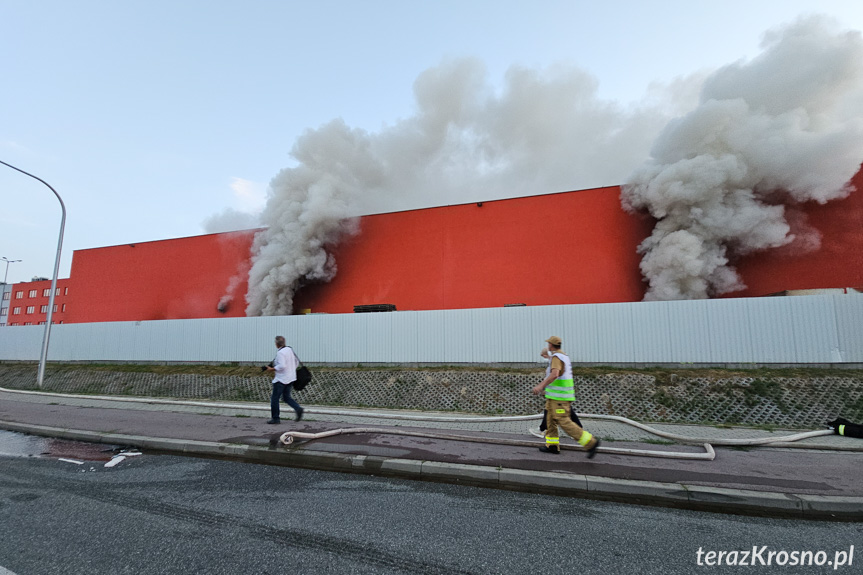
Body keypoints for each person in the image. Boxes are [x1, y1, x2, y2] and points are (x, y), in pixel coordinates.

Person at [532, 336, 599, 457]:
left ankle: (591, 443)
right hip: (553, 397)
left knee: (564, 422)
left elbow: (554, 375)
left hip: (559, 398)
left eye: (548, 344)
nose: (548, 346)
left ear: (551, 346)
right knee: (550, 421)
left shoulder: (557, 357)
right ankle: (552, 446)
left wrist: (540, 386)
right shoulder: (563, 356)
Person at [263, 335, 304, 424]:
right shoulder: (290, 350)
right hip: (291, 377)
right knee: (286, 397)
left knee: (275, 398)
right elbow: (296, 362)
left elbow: (282, 365)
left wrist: (272, 369)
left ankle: (275, 418)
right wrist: (291, 369)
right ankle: (298, 408)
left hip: (281, 379)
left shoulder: (280, 353)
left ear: (277, 344)